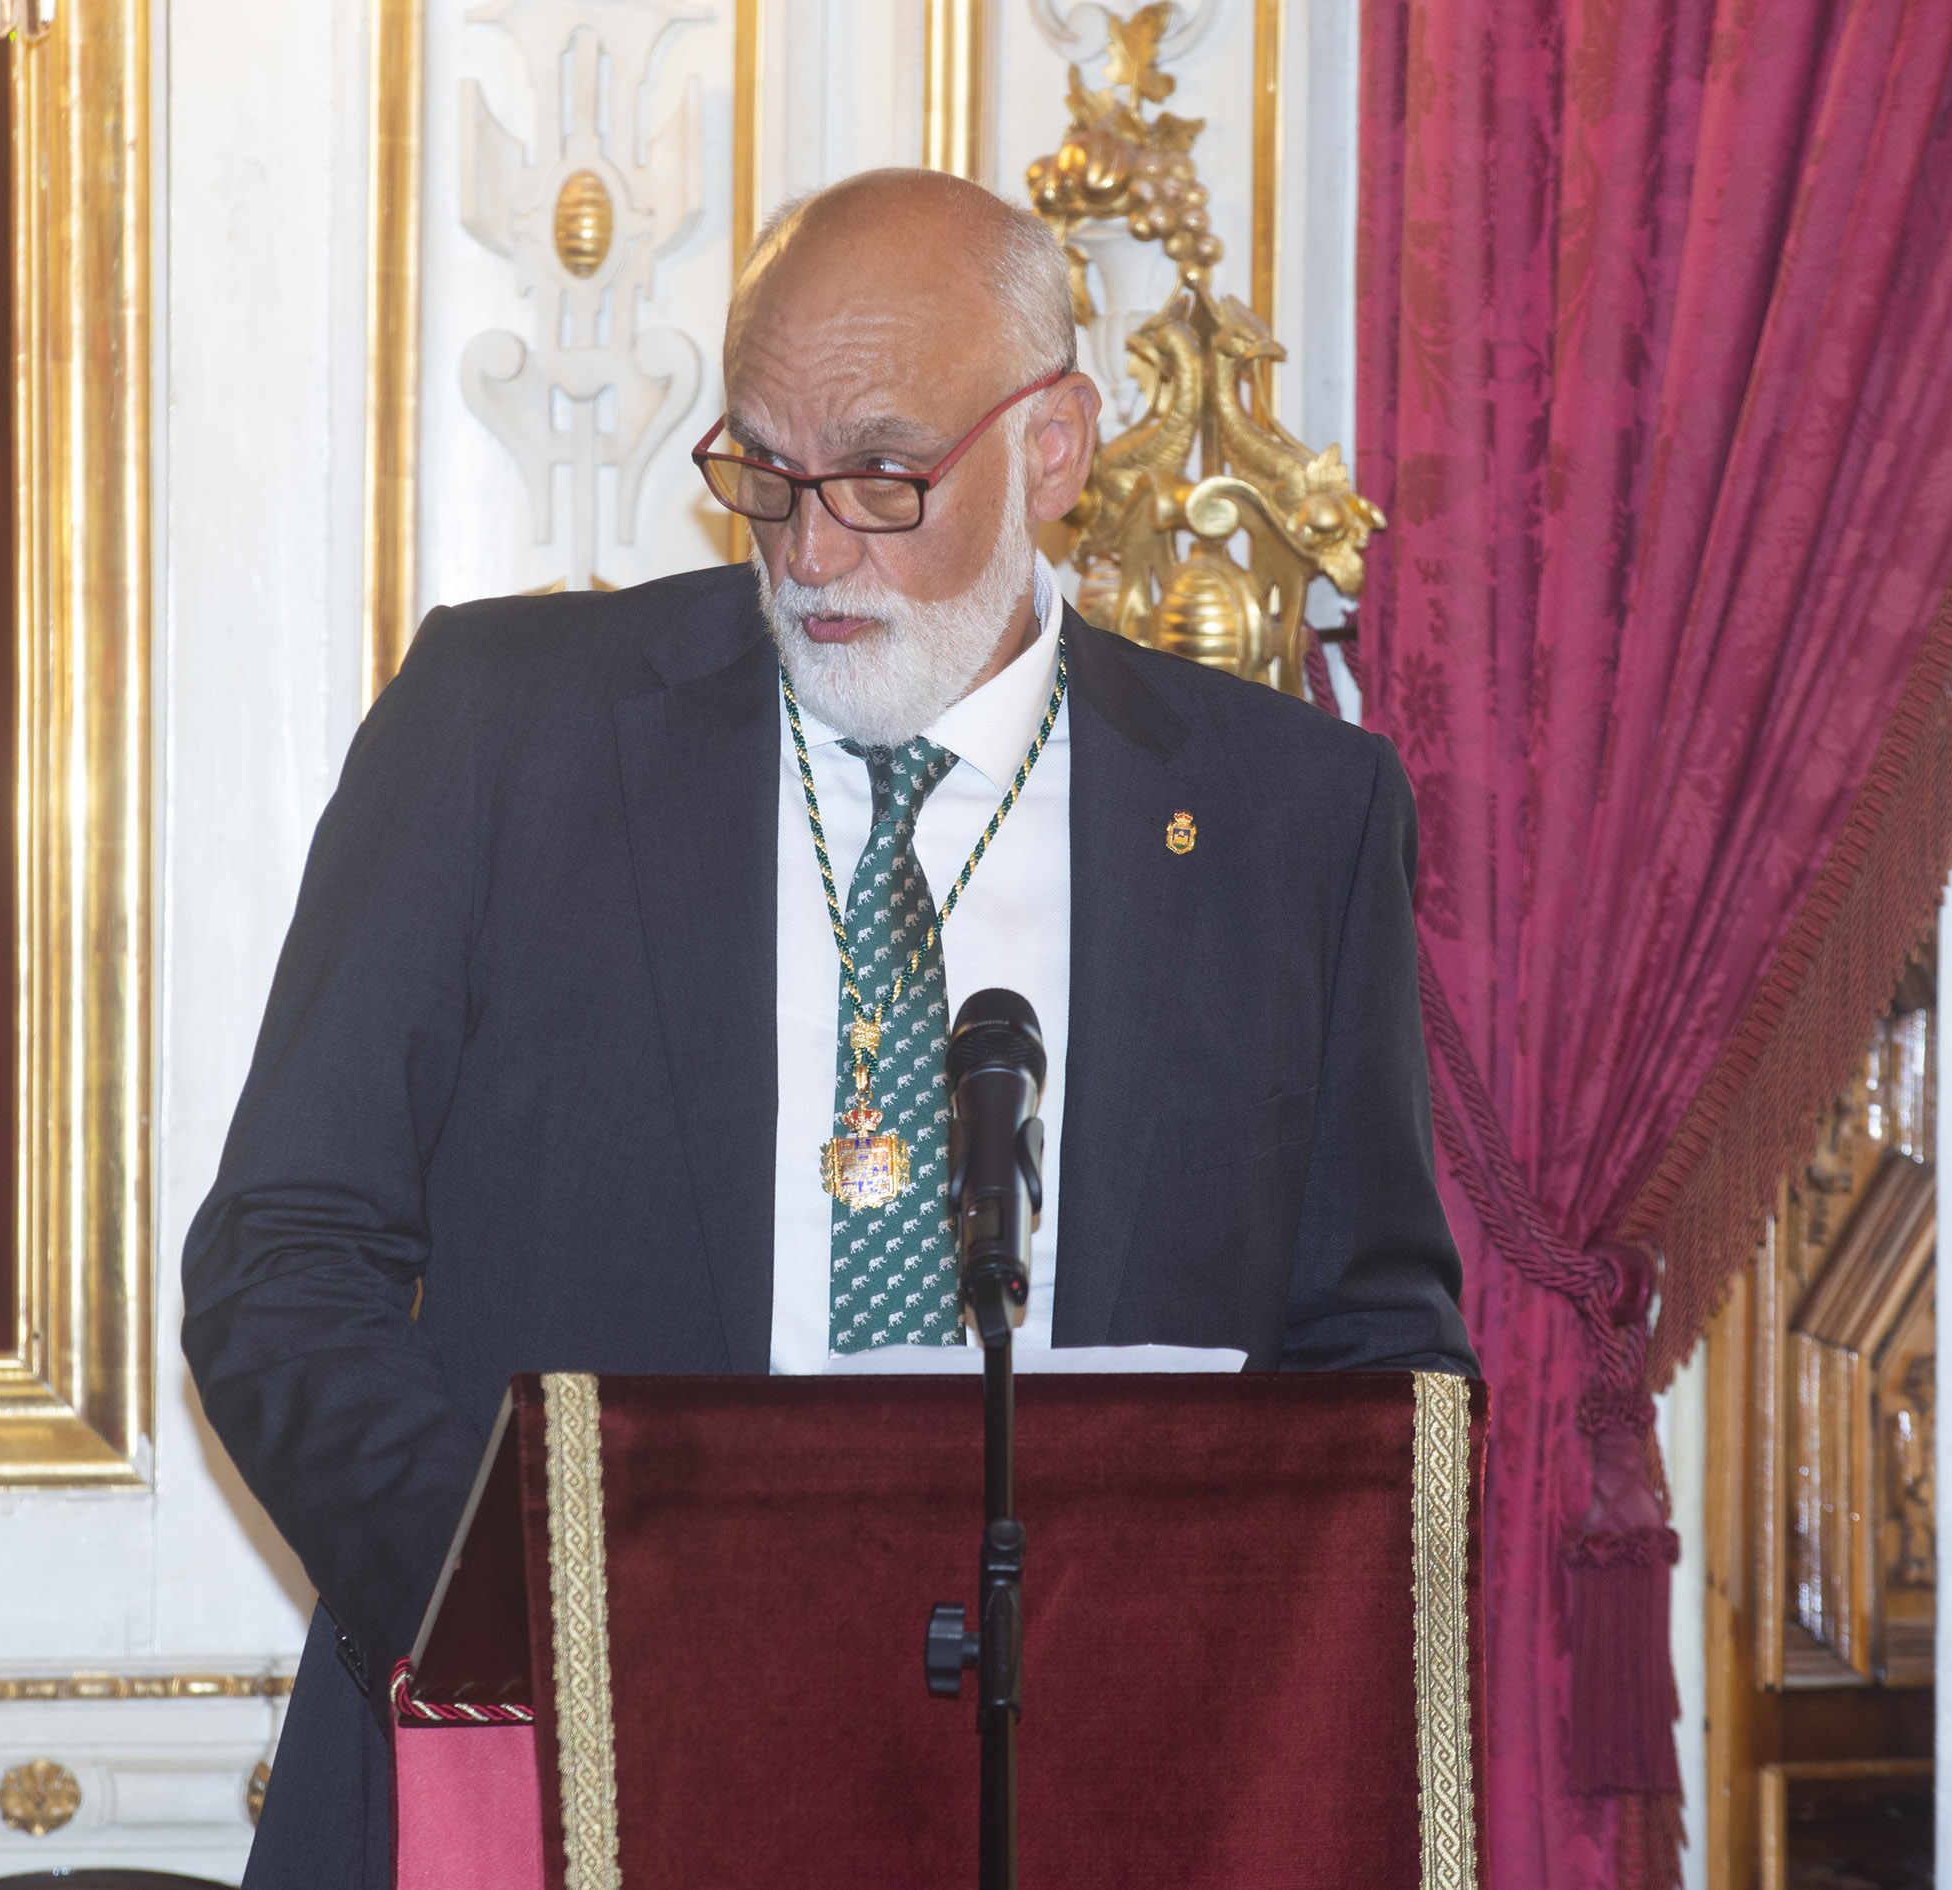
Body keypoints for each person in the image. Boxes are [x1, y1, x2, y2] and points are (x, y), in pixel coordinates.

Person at [183, 167, 1475, 1881]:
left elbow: (1374, 1367)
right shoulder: (502, 737)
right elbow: (282, 1262)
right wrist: (556, 1607)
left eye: (882, 473)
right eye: (764, 476)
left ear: (1057, 449)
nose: (810, 549)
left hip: (1071, 1799)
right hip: (565, 1771)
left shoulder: (1287, 822)